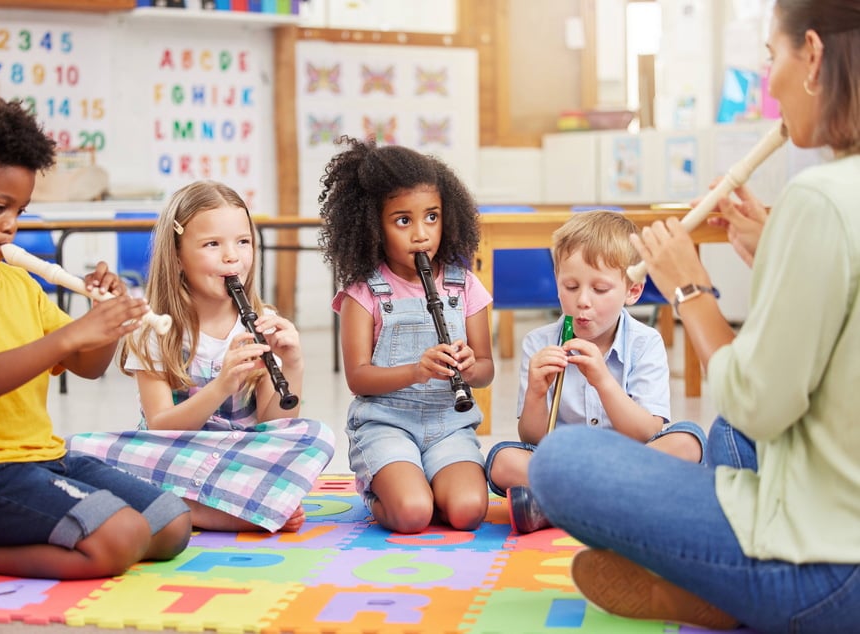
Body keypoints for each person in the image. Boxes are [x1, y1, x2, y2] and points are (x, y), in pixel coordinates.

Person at [529, 1, 860, 630]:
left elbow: (757, 402)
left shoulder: (822, 198)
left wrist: (689, 290)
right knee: (726, 445)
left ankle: (728, 595)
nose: (770, 83)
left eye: (772, 59)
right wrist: (777, 258)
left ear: (812, 56)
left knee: (561, 463)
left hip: (827, 566)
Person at [0, 92, 192, 578]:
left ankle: (71, 536)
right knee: (120, 539)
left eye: (19, 210)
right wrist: (70, 336)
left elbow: (88, 366)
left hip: (43, 458)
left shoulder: (18, 281)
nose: (11, 226)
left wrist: (101, 318)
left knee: (171, 525)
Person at [69, 180, 335, 533]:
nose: (232, 257)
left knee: (318, 435)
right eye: (212, 244)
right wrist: (221, 386)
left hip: (238, 456)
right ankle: (222, 509)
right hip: (175, 452)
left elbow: (274, 423)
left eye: (243, 242)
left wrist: (293, 365)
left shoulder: (261, 319)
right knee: (76, 451)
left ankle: (179, 503)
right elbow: (161, 427)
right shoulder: (155, 329)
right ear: (177, 256)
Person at [485, 211, 706, 534]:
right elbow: (534, 439)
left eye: (600, 289)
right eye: (570, 286)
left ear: (632, 292)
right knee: (501, 460)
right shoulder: (539, 342)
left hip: (630, 456)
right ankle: (624, 502)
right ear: (557, 283)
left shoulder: (646, 343)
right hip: (565, 460)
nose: (583, 301)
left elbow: (646, 432)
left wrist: (603, 381)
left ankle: (560, 505)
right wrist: (535, 393)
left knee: (689, 441)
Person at [318, 136, 494, 534]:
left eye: (432, 217)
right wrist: (417, 370)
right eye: (403, 221)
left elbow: (486, 370)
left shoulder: (463, 285)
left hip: (449, 423)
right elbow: (358, 378)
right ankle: (382, 489)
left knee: (468, 512)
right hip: (385, 423)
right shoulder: (362, 294)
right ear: (372, 227)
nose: (421, 234)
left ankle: (427, 480)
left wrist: (469, 367)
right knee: (413, 515)